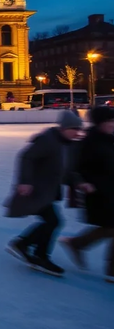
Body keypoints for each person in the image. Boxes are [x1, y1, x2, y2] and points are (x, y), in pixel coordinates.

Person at [3, 110, 84, 277]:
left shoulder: (67, 144)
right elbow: (26, 157)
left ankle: (24, 245)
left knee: (52, 221)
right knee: (53, 221)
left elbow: (67, 170)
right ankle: (37, 253)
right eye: (74, 129)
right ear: (64, 128)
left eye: (79, 129)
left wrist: (78, 182)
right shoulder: (48, 140)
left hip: (47, 191)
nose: (78, 132)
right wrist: (25, 181)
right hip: (36, 190)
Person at [59, 106, 114, 283]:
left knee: (110, 228)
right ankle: (110, 270)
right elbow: (73, 168)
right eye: (109, 121)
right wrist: (82, 183)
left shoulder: (110, 139)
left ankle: (77, 244)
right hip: (97, 192)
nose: (112, 124)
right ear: (99, 123)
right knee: (111, 227)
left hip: (110, 189)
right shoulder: (88, 142)